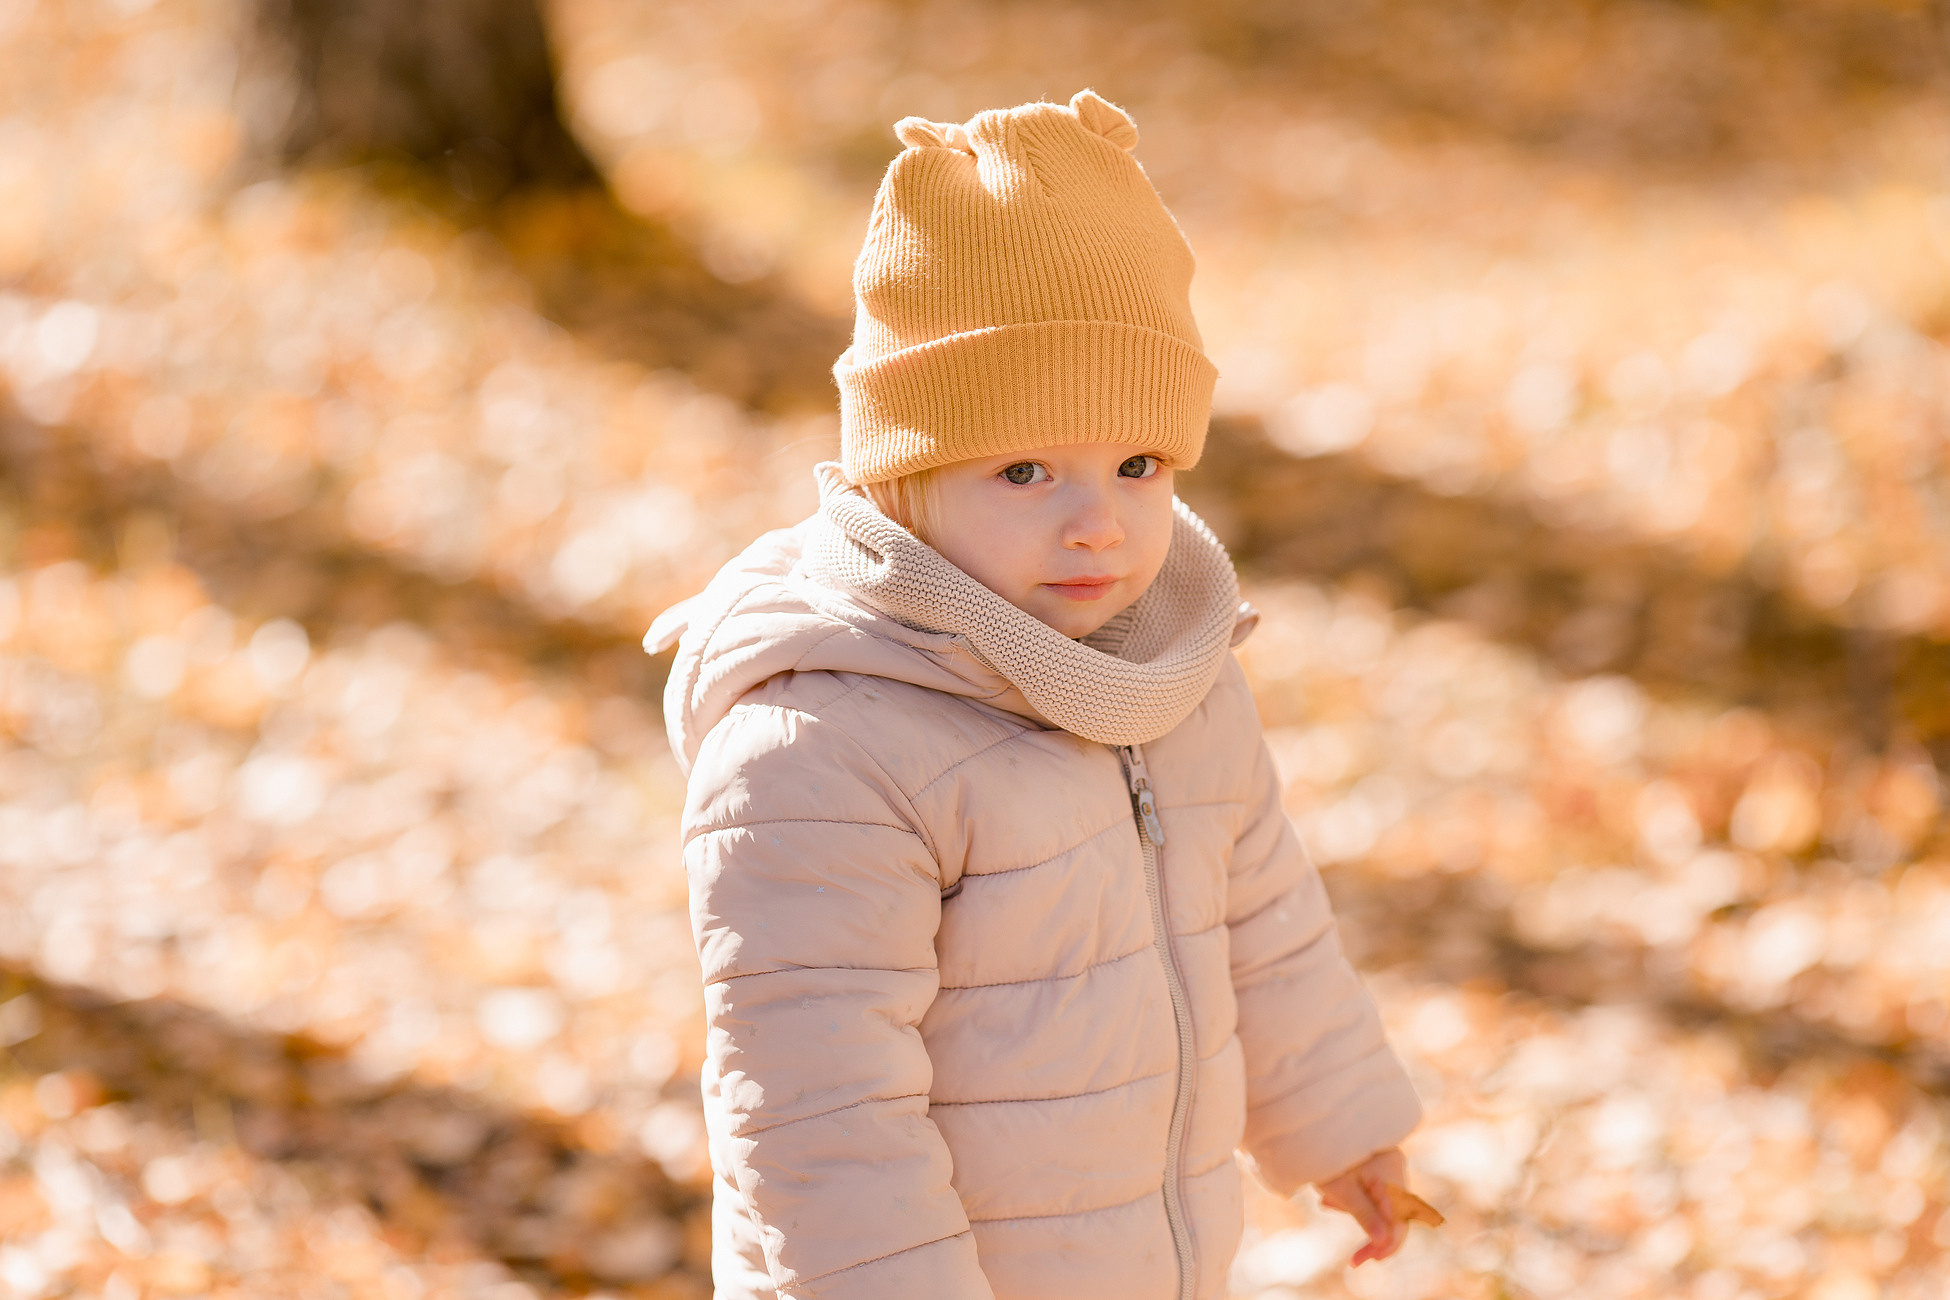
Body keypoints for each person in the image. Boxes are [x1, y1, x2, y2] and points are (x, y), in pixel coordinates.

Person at [647, 88, 1427, 1300]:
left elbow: (1265, 922)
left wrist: (1340, 1125)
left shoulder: (1175, 676)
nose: (1096, 523)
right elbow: (818, 1109)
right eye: (1023, 469)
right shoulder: (822, 743)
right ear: (903, 476)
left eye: (1136, 463)